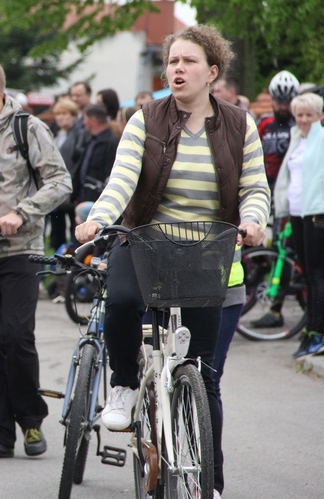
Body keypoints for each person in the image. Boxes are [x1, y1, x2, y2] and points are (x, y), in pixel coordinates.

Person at [75, 25, 269, 498]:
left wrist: (253, 219)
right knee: (121, 301)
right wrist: (99, 218)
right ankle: (123, 384)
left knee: (202, 376)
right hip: (145, 240)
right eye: (173, 61)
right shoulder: (147, 118)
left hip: (208, 248)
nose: (177, 69)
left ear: (212, 72)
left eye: (188, 62)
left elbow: (255, 187)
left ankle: (211, 483)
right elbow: (122, 178)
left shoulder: (240, 125)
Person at [0, 55, 72, 460]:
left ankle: (31, 421)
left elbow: (60, 182)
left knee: (16, 336)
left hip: (20, 252)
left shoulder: (28, 128)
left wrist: (21, 212)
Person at [272, 92, 324, 357]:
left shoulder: (321, 139)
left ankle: (317, 332)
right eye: (299, 115)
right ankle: (312, 329)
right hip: (297, 214)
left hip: (316, 215)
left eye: (308, 115)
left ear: (319, 116)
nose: (303, 119)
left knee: (316, 275)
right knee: (307, 274)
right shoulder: (296, 138)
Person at [251, 70, 300, 329]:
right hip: (265, 190)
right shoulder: (264, 124)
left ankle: (277, 308)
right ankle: (258, 278)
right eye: (279, 101)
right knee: (259, 244)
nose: (283, 107)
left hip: (288, 195)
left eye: (287, 101)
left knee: (284, 247)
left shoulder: (298, 124)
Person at [48, 98, 79, 252]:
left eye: (64, 113)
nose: (60, 117)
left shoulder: (78, 134)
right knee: (57, 227)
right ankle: (56, 260)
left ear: (73, 115)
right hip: (55, 188)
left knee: (74, 226)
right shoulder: (54, 133)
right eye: (58, 114)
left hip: (72, 187)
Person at [76, 104, 119, 203]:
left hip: (99, 199)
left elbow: (110, 173)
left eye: (85, 119)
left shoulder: (111, 143)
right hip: (85, 196)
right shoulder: (91, 140)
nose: (84, 123)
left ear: (93, 120)